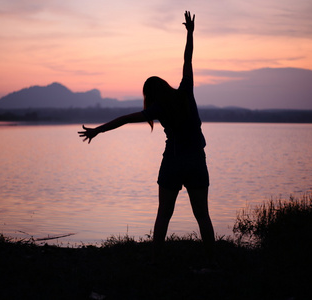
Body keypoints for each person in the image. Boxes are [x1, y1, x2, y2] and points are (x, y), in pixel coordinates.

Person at [78, 11, 215, 266]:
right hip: (196, 161)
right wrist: (190, 33)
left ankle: (156, 263)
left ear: (150, 94)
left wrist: (97, 130)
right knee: (203, 217)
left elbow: (125, 119)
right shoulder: (186, 91)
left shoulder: (158, 109)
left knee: (163, 216)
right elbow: (188, 59)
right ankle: (212, 264)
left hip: (173, 163)